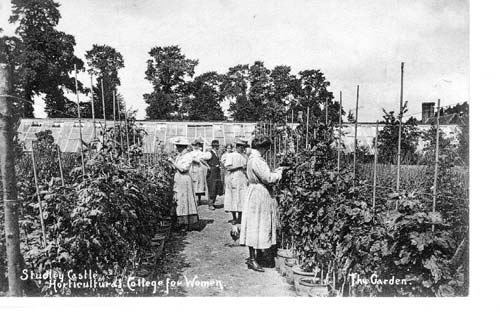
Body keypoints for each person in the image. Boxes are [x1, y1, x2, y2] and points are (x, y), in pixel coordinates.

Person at [239, 135, 284, 272]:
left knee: (256, 224)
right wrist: (279, 172)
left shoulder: (253, 159)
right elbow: (268, 178)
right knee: (256, 224)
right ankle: (253, 259)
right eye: (266, 149)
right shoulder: (257, 160)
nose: (267, 151)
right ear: (262, 148)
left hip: (255, 192)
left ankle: (257, 256)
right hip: (259, 194)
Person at [170, 138, 200, 231]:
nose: (176, 148)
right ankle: (181, 222)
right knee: (179, 199)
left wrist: (172, 162)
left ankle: (185, 224)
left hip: (184, 179)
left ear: (183, 147)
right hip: (179, 179)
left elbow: (183, 169)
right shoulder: (180, 156)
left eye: (178, 147)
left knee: (184, 200)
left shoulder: (188, 156)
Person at [223, 139, 248, 225]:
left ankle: (240, 217)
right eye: (241, 147)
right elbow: (228, 168)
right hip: (233, 177)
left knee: (241, 197)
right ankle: (234, 217)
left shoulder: (244, 156)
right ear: (237, 147)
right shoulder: (231, 155)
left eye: (243, 147)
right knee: (233, 197)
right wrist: (240, 167)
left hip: (242, 178)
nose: (242, 149)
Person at [189, 138, 211, 205]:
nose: (195, 146)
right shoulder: (190, 153)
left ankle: (199, 199)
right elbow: (189, 160)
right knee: (192, 183)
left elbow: (203, 160)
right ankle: (193, 199)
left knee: (200, 184)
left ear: (199, 145)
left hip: (199, 169)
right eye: (194, 145)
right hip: (192, 169)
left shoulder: (201, 153)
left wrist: (197, 160)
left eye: (197, 145)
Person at [206, 140, 224, 210]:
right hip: (212, 173)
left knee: (216, 187)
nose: (218, 147)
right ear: (214, 146)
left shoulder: (216, 153)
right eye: (217, 146)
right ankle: (210, 204)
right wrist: (208, 166)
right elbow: (201, 159)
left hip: (216, 172)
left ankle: (213, 203)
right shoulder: (209, 153)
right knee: (212, 187)